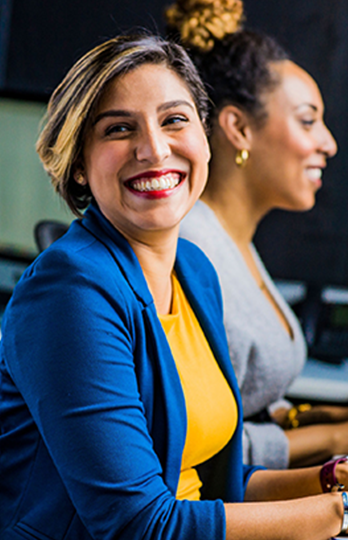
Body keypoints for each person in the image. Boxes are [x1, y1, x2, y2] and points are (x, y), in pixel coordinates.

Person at [0, 33, 348, 540]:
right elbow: (139, 524)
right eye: (118, 129)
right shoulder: (69, 292)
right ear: (81, 166)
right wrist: (339, 514)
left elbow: (209, 485)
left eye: (175, 120)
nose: (154, 148)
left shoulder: (194, 271)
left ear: (204, 135)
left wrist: (329, 480)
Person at [166, 0, 348, 469]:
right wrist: (331, 437)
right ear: (238, 128)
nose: (327, 143)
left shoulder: (233, 240)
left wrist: (319, 419)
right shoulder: (191, 249)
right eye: (308, 120)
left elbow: (250, 402)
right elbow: (196, 447)